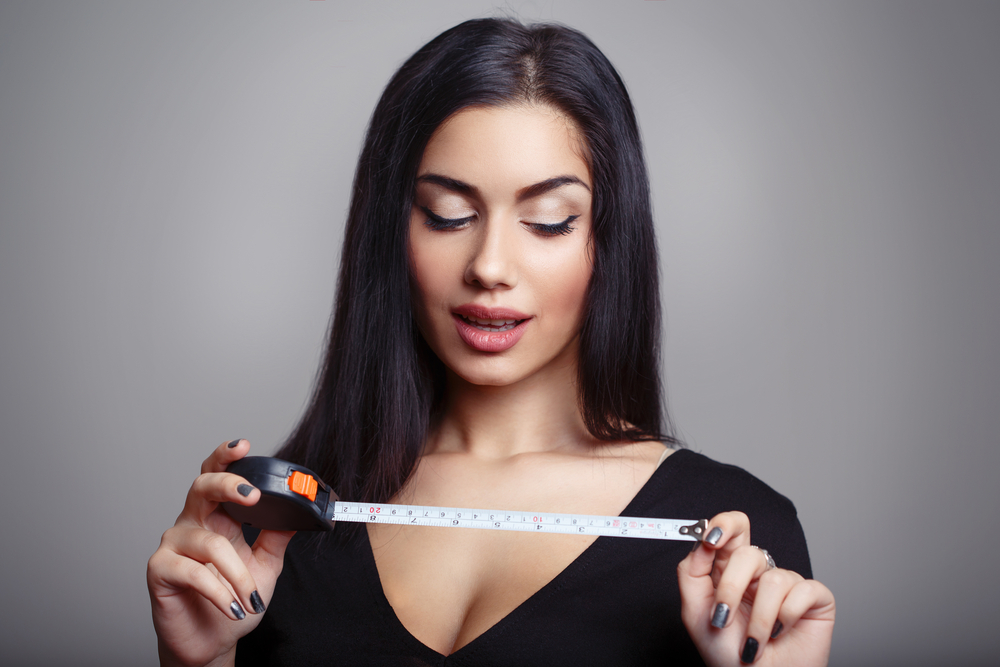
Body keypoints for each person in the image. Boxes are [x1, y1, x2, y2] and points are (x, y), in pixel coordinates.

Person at [147, 17, 835, 667]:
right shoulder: (280, 524)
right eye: (449, 215)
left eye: (548, 220)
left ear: (608, 241)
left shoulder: (739, 537)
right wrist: (200, 660)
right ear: (394, 229)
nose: (490, 266)